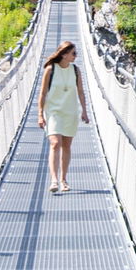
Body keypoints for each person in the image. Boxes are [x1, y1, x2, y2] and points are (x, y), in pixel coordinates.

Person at [38, 40, 88, 192]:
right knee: (55, 143)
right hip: (53, 111)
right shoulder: (50, 69)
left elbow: (80, 92)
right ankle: (54, 180)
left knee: (66, 145)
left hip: (70, 111)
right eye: (73, 53)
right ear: (65, 54)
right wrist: (40, 114)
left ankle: (63, 179)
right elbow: (43, 93)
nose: (76, 56)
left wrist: (84, 111)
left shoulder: (75, 70)